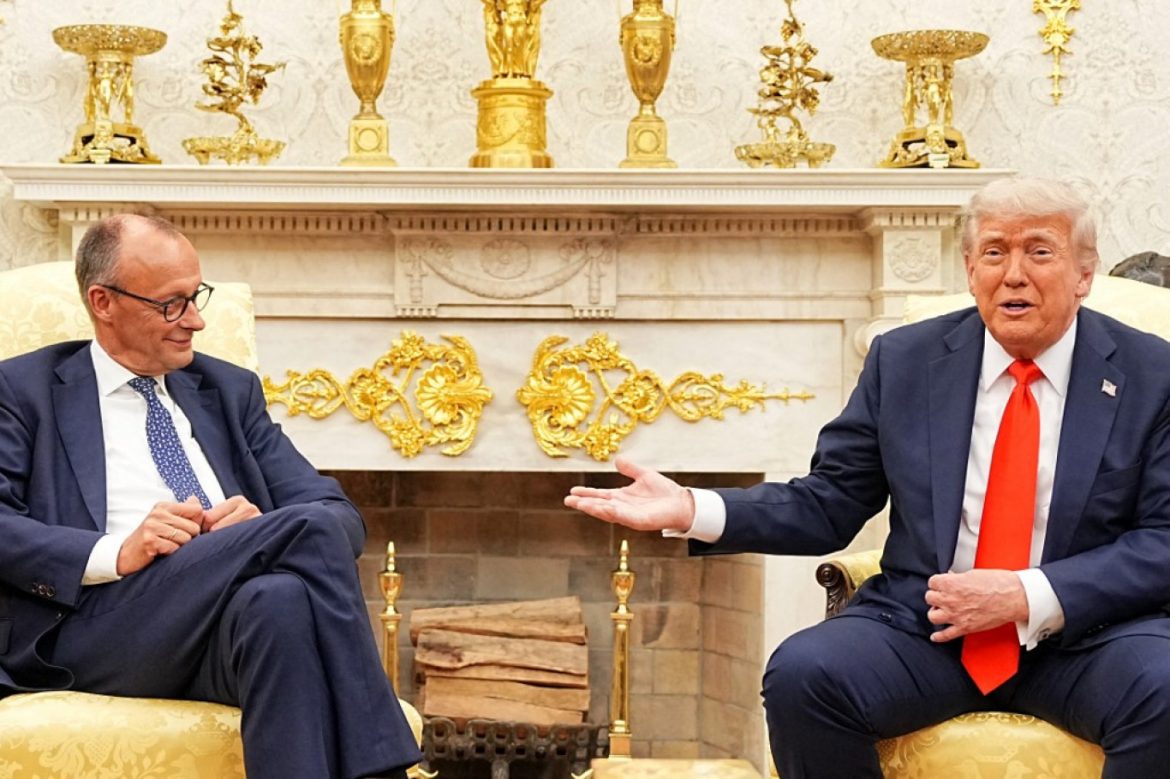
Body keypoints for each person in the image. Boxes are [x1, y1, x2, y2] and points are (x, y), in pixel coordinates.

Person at [566, 177, 1170, 777]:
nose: (1013, 274)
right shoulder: (905, 360)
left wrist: (1026, 595)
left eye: (1039, 251)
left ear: (1084, 274)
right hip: (931, 631)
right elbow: (830, 501)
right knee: (805, 675)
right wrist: (693, 508)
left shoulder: (1153, 375)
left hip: (1087, 635)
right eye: (994, 252)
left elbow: (1163, 539)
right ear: (970, 268)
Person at [0, 214, 420, 779]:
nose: (195, 320)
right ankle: (381, 760)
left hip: (217, 627)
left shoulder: (228, 390)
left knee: (278, 601)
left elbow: (337, 515)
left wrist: (255, 533)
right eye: (171, 304)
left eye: (196, 297)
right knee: (303, 532)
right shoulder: (21, 390)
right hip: (95, 624)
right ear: (104, 302)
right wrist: (116, 551)